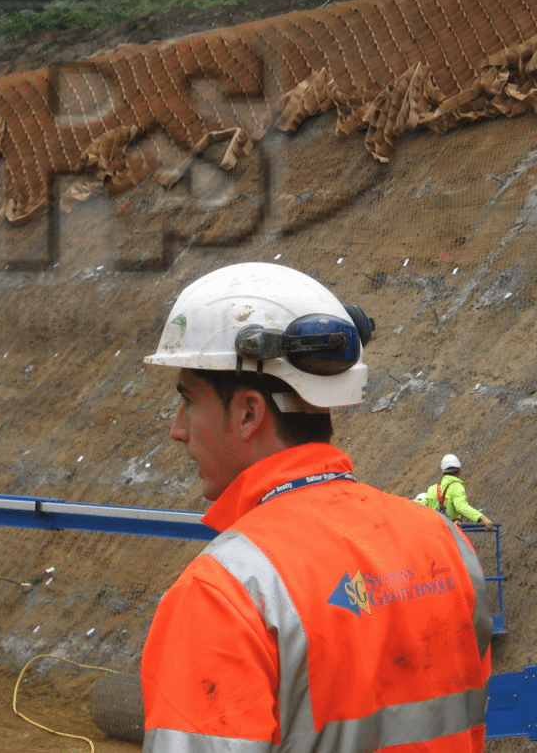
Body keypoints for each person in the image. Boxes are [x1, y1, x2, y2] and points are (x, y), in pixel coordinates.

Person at [139, 262, 492, 753]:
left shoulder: (225, 594)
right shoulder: (445, 544)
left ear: (248, 413)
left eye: (188, 401)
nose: (178, 429)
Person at [427, 453, 495, 530]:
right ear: (459, 472)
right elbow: (461, 506)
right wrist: (483, 519)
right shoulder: (457, 487)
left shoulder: (432, 489)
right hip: (451, 534)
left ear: (443, 472)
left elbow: (420, 506)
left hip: (434, 533)